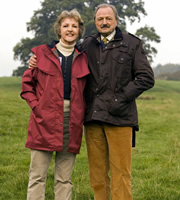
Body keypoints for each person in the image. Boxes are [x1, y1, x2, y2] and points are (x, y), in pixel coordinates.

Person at [29, 3, 155, 200]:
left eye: (108, 18)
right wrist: (36, 59)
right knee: (97, 177)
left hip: (120, 118)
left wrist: (119, 99)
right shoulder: (87, 45)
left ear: (116, 20)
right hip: (93, 119)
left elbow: (146, 78)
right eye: (100, 19)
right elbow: (64, 54)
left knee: (121, 175)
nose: (104, 22)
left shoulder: (132, 44)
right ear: (94, 22)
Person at [21, 9, 89, 200]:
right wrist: (37, 107)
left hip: (72, 122)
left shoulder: (84, 58)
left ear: (79, 30)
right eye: (66, 26)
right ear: (59, 29)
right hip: (43, 120)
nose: (70, 29)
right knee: (37, 176)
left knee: (64, 179)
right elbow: (27, 86)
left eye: (74, 26)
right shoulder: (41, 54)